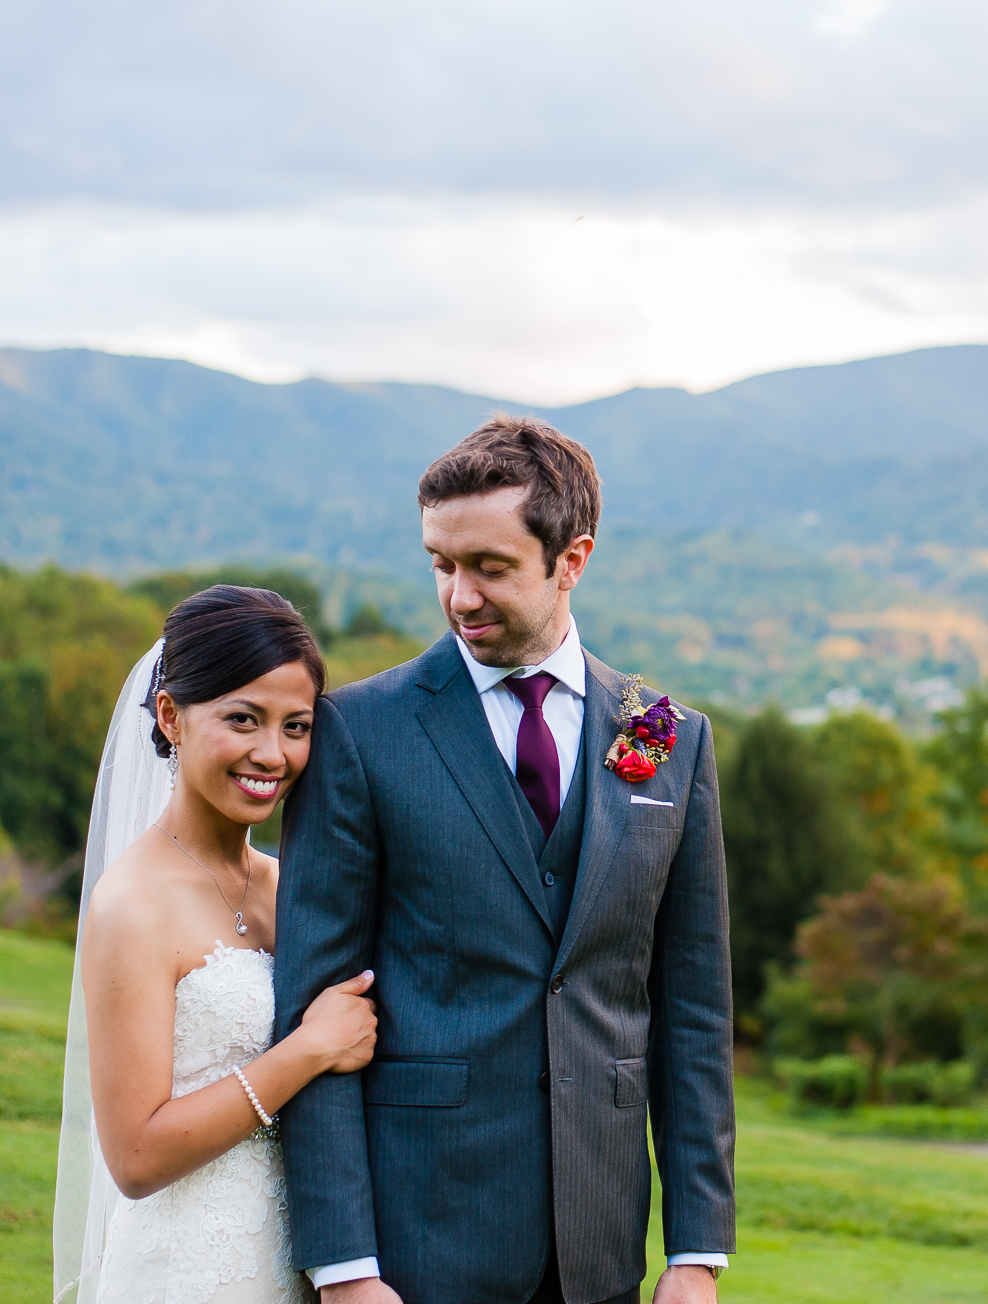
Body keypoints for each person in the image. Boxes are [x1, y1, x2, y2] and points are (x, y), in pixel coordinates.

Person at [273, 416, 736, 1304]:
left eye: (490, 567)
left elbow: (693, 1013)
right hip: (419, 1250)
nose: (459, 596)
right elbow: (313, 1004)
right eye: (441, 565)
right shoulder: (359, 733)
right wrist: (344, 1270)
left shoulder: (668, 737)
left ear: (573, 558)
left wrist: (696, 1251)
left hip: (602, 1255)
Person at [54, 586, 381, 1304]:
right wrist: (308, 1051)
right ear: (171, 715)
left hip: (300, 1262)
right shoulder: (132, 903)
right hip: (185, 1272)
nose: (273, 753)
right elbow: (136, 1156)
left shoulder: (289, 884)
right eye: (243, 719)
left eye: (296, 727)